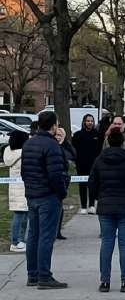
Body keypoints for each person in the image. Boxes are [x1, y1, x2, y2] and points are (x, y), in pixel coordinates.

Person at [88, 129, 125, 293]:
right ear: (122, 142)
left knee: (106, 244)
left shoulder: (99, 160)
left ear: (108, 142)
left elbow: (92, 183)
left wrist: (99, 197)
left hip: (105, 206)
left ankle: (104, 282)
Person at [21, 111, 69, 289]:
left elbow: (24, 171)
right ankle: (44, 276)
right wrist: (62, 192)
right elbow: (55, 175)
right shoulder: (52, 146)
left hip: (32, 194)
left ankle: (32, 274)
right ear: (54, 125)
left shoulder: (29, 144)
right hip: (48, 196)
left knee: (33, 235)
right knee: (46, 237)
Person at [4, 131, 30, 253]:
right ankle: (15, 241)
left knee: (21, 215)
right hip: (23, 188)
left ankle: (20, 240)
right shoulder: (23, 154)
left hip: (15, 188)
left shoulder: (9, 152)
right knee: (20, 216)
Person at [72, 114, 102, 215]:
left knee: (93, 185)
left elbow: (100, 150)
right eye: (88, 121)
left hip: (94, 165)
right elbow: (74, 150)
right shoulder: (77, 135)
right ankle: (84, 206)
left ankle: (92, 205)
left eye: (92, 121)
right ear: (84, 122)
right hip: (81, 164)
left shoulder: (97, 135)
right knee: (82, 185)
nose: (90, 123)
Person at [53, 126, 76, 241]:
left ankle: (58, 231)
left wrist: (63, 143)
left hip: (63, 179)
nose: (58, 137)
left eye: (60, 135)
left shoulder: (66, 146)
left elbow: (72, 155)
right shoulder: (51, 146)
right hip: (54, 179)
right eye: (56, 135)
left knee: (60, 206)